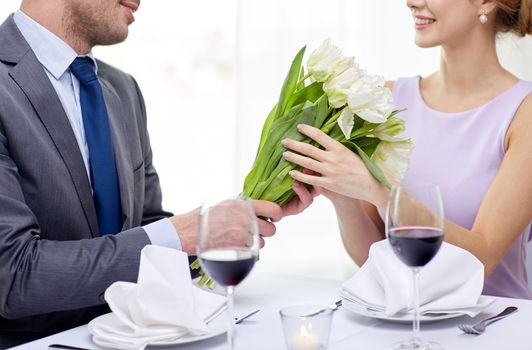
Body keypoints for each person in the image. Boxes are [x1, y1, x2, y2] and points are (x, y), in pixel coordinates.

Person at [0, 0, 314, 346]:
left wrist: (235, 220)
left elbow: (144, 231)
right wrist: (180, 233)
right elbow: (13, 274)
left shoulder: (122, 90)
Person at [282, 0, 532, 299]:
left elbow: (481, 259)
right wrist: (344, 196)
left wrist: (381, 193)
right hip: (404, 326)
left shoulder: (523, 113)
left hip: (496, 327)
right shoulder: (386, 100)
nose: (412, 2)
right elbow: (373, 258)